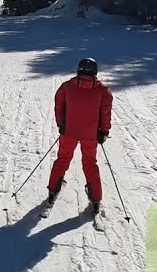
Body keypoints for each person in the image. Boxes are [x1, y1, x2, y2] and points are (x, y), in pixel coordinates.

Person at [46, 57, 113, 215]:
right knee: (90, 163)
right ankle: (96, 197)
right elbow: (105, 113)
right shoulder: (103, 90)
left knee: (63, 159)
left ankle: (53, 190)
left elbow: (59, 105)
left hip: (69, 131)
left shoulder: (67, 86)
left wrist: (61, 124)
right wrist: (104, 131)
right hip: (90, 135)